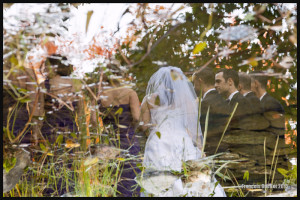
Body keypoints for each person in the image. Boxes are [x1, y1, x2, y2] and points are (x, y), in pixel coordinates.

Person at [140, 66, 226, 197]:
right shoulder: (186, 99)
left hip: (158, 142)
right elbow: (193, 126)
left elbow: (144, 126)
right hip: (182, 139)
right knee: (190, 176)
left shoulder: (148, 100)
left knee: (159, 178)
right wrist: (200, 146)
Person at [96, 72, 141, 197]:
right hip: (128, 137)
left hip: (109, 139)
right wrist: (132, 128)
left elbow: (95, 121)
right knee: (129, 174)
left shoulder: (101, 96)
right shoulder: (130, 93)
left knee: (112, 175)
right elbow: (137, 117)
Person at [192, 67, 229, 155]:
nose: (193, 87)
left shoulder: (205, 104)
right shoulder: (223, 100)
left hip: (210, 152)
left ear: (200, 81)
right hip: (224, 149)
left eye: (194, 83)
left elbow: (201, 132)